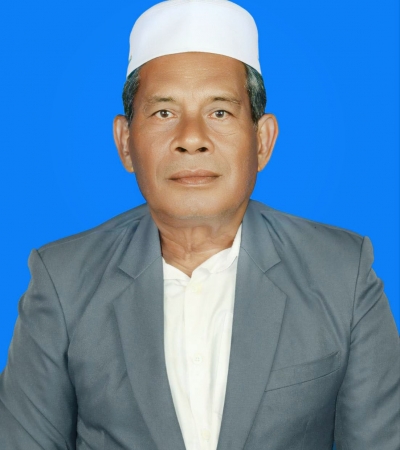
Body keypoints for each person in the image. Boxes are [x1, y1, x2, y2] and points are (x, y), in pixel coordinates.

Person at [0, 0, 399, 449]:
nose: (191, 139)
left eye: (220, 112)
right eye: (164, 113)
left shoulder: (341, 273)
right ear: (126, 142)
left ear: (262, 140)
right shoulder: (63, 280)